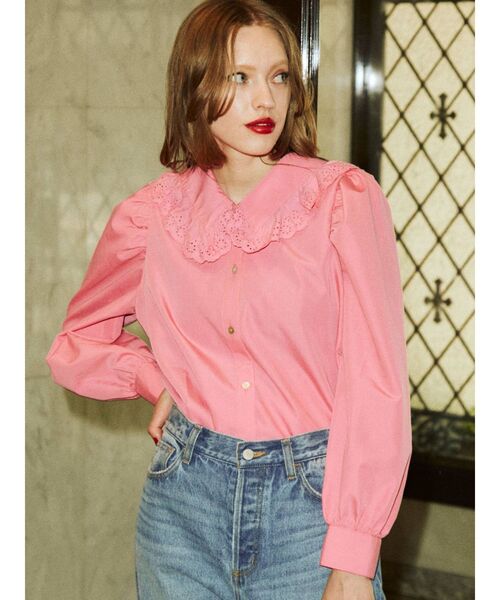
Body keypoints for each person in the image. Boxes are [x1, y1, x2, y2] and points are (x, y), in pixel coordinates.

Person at [45, 1, 412, 598]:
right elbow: (77, 340)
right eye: (238, 78)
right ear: (194, 86)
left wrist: (353, 554)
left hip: (313, 512)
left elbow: (377, 383)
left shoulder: (342, 199)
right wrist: (154, 380)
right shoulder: (150, 217)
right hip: (182, 507)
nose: (264, 99)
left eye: (279, 76)